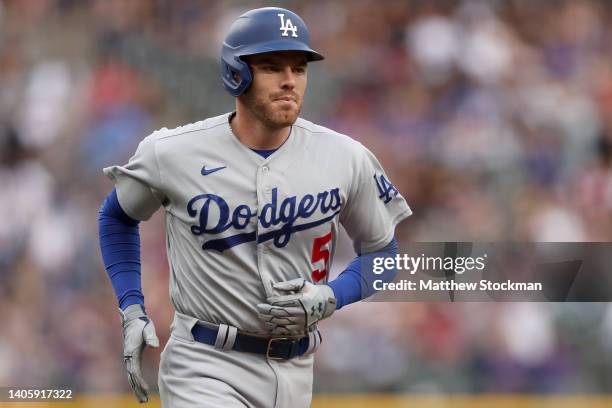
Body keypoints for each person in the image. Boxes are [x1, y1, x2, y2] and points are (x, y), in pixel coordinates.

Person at [98, 7, 411, 407]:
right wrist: (131, 307)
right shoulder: (173, 153)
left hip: (297, 371)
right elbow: (117, 217)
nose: (289, 81)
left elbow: (384, 255)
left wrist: (333, 295)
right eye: (271, 67)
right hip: (205, 363)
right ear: (236, 73)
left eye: (299, 68)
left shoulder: (345, 157)